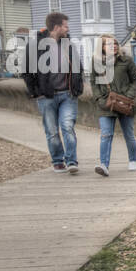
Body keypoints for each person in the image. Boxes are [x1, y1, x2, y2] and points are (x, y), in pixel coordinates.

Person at [22, 12, 82, 173]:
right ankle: (58, 161)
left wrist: (78, 88)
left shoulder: (68, 44)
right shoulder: (35, 45)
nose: (67, 29)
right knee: (52, 131)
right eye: (65, 26)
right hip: (46, 96)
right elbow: (26, 72)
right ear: (57, 27)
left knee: (67, 126)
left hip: (67, 95)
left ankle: (71, 161)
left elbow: (78, 67)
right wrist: (36, 92)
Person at [91, 35, 136, 177]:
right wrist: (99, 99)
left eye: (116, 44)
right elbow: (93, 82)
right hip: (106, 104)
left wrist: (128, 96)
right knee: (106, 134)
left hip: (124, 103)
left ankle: (133, 160)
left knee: (128, 134)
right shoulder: (96, 62)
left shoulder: (127, 61)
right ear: (102, 47)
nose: (114, 47)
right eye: (109, 44)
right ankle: (104, 165)